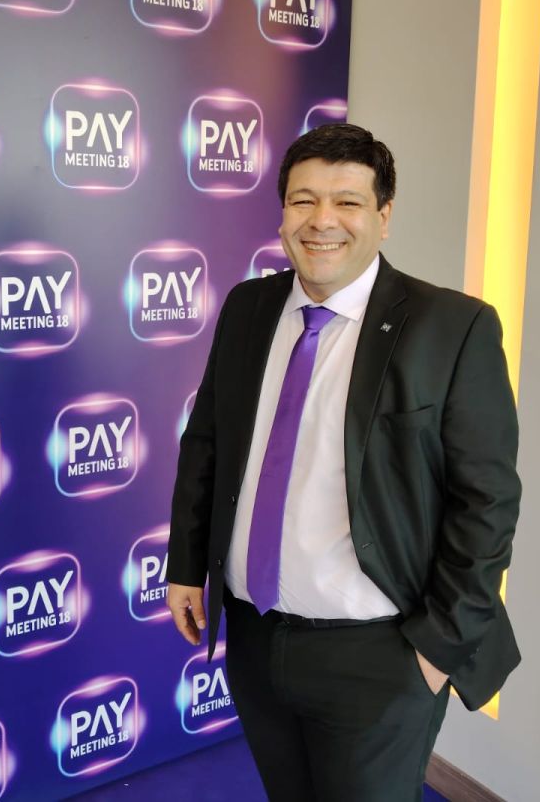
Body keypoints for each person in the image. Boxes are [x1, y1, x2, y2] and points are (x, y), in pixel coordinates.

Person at [166, 123, 521, 801]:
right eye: (303, 200)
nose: (322, 220)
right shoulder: (248, 307)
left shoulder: (453, 327)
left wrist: (435, 651)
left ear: (384, 215)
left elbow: (487, 503)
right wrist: (187, 563)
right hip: (256, 638)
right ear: (282, 213)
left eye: (348, 202)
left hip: (380, 656)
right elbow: (207, 440)